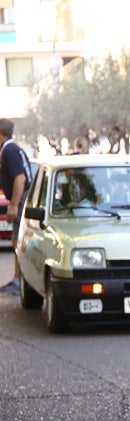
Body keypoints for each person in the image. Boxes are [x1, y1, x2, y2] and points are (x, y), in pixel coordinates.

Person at [0, 118, 32, 294]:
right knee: (16, 239)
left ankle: (20, 280)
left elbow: (20, 179)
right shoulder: (10, 149)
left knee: (18, 240)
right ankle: (18, 278)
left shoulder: (9, 150)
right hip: (21, 198)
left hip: (22, 198)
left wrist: (13, 206)